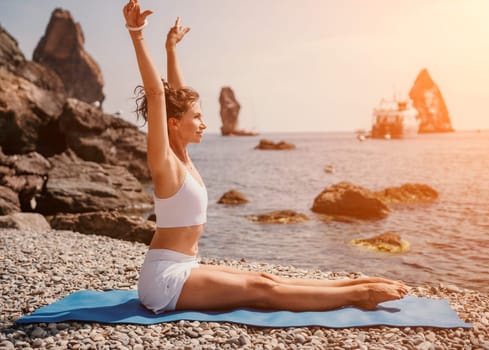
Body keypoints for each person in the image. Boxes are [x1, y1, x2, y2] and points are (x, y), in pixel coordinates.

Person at [123, 0, 408, 314]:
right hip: (165, 281)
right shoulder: (165, 163)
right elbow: (157, 96)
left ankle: (355, 283)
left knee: (263, 277)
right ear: (174, 125)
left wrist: (171, 49)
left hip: (186, 265)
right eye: (198, 117)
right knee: (263, 291)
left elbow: (177, 97)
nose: (205, 123)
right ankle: (361, 295)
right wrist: (136, 34)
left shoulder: (183, 155)